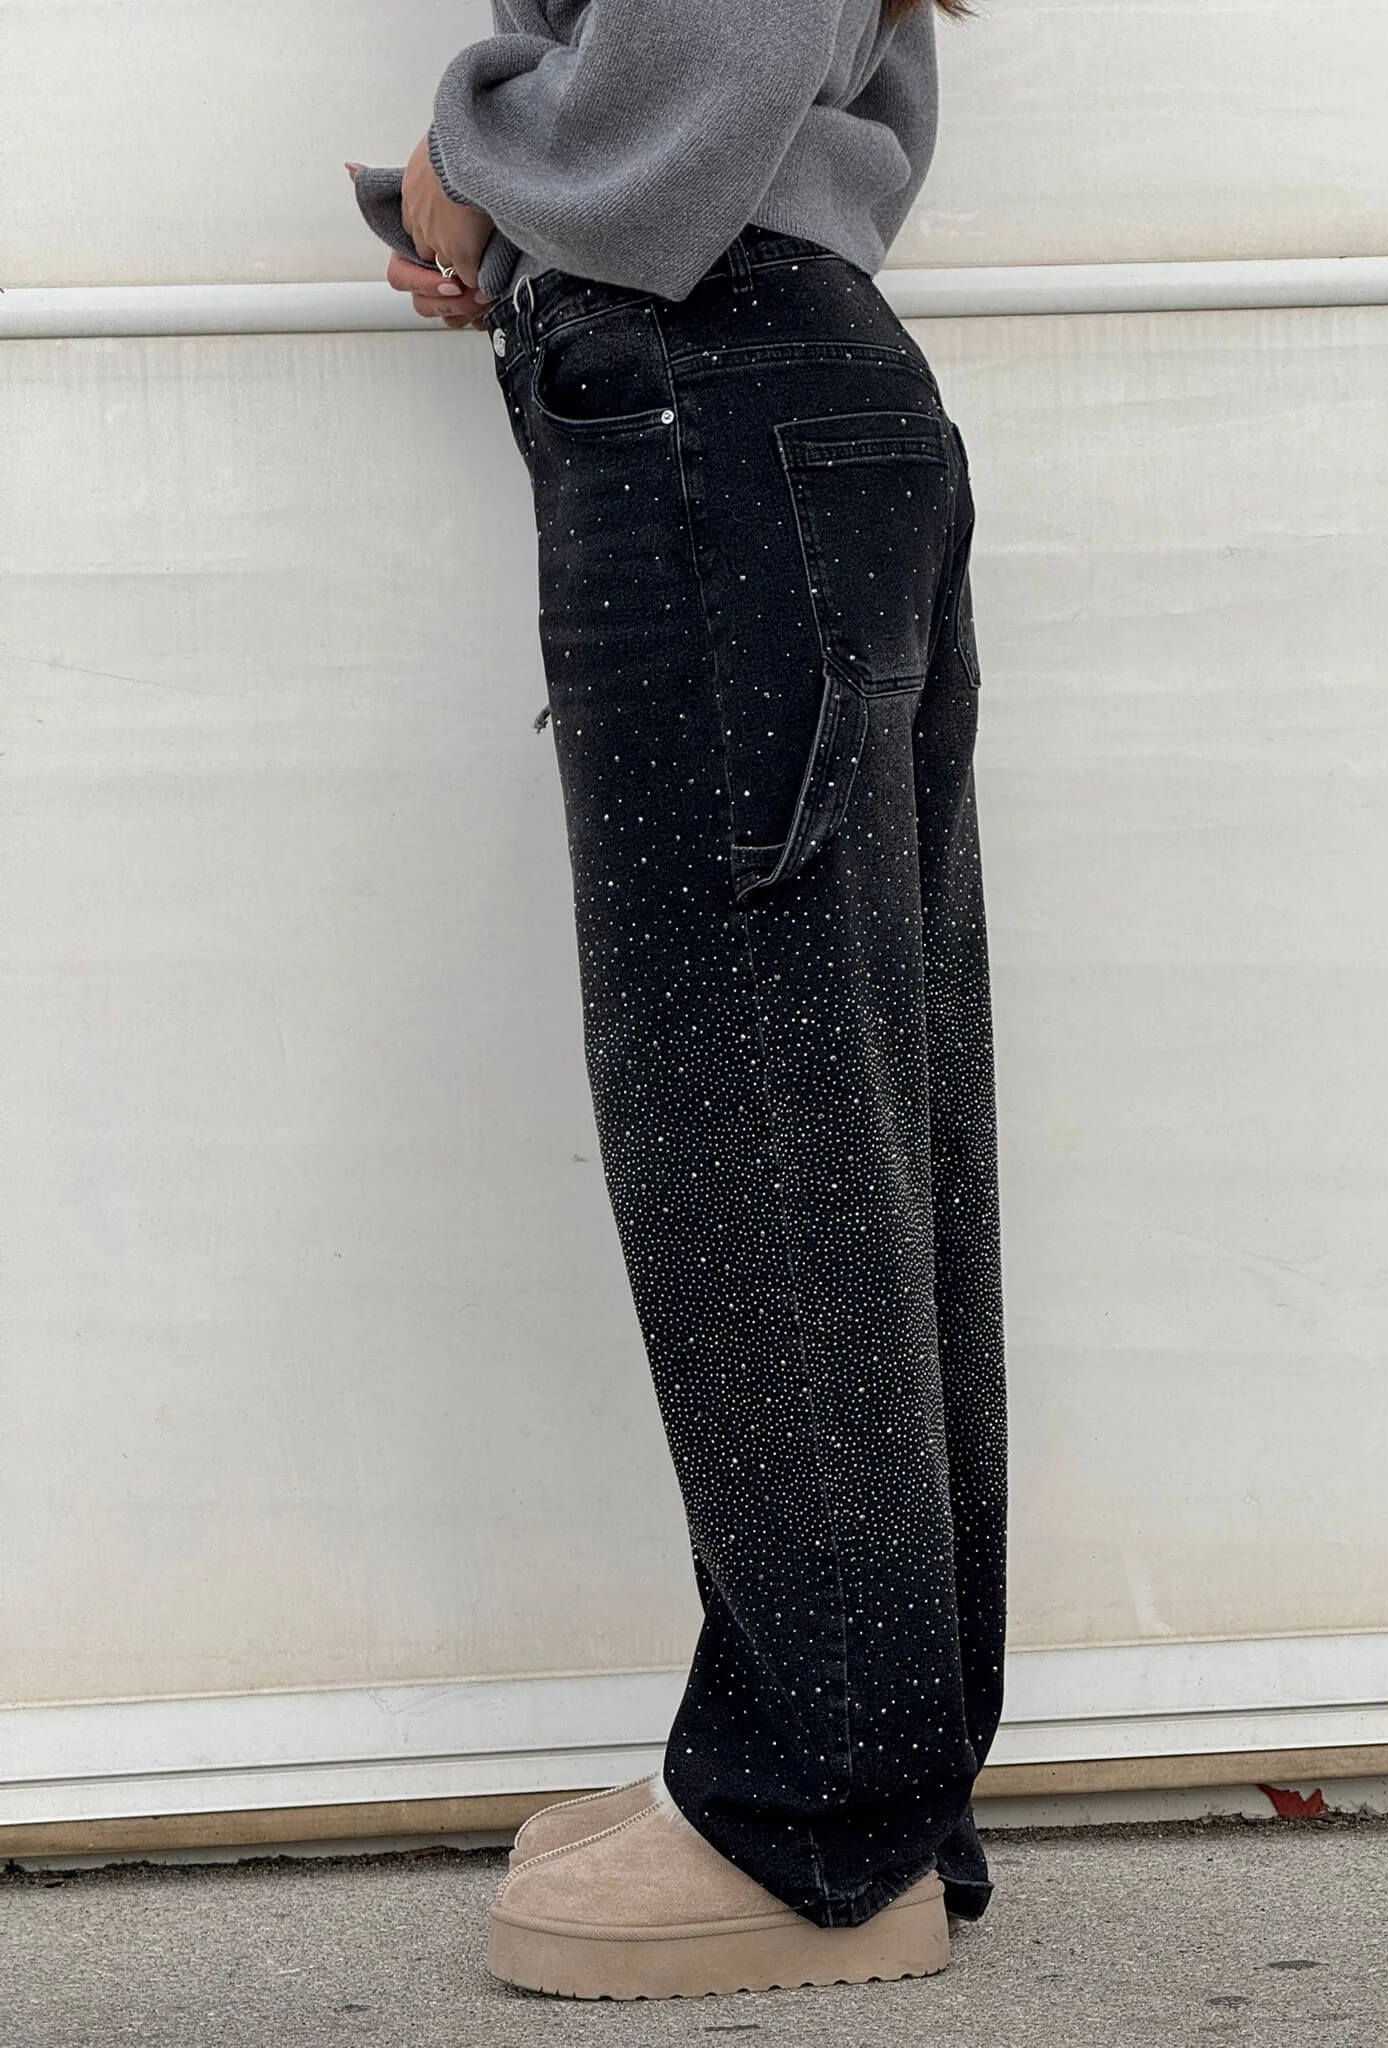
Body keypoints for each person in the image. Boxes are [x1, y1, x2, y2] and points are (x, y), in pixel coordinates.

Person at [347, 0, 1007, 2003]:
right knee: (843, 1110)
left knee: (756, 1120)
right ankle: (859, 1774)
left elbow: (702, 46)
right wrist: (534, 202)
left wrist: (487, 161)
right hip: (760, 377)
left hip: (713, 380)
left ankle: (819, 1816)